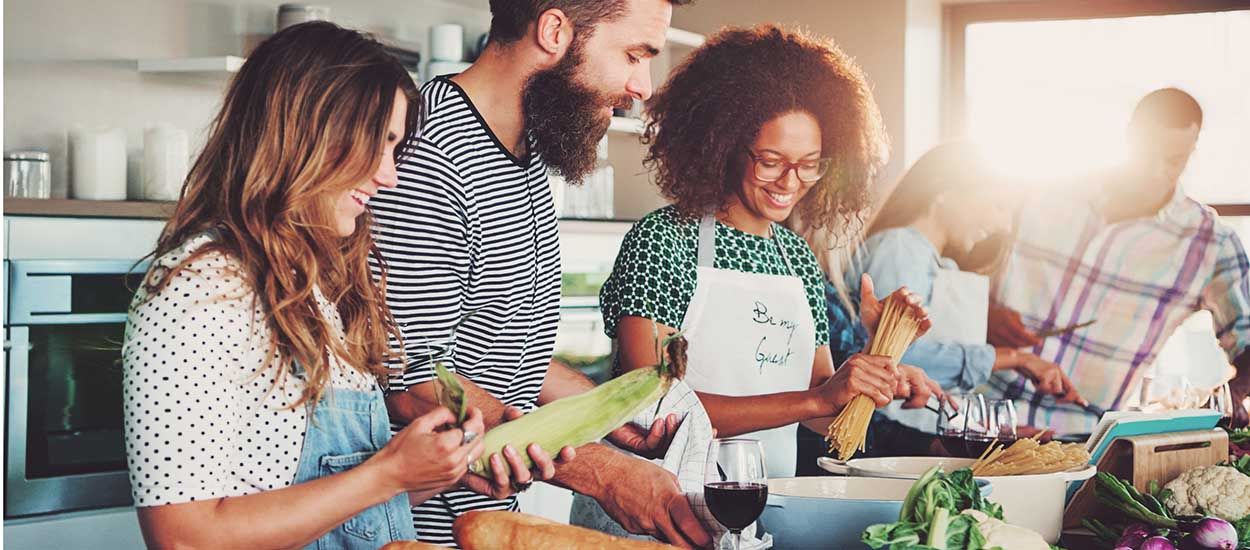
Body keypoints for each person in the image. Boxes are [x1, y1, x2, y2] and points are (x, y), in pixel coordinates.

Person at [121, 23, 518, 548]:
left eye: (394, 148)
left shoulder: (314, 289)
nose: (388, 176)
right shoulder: (199, 288)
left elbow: (333, 508)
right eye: (373, 145)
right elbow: (184, 537)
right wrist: (388, 474)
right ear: (304, 135)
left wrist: (435, 470)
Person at [369, 0, 712, 547]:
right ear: (555, 31)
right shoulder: (431, 155)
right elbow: (410, 381)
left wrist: (603, 414)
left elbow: (501, 344)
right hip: (413, 533)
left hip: (487, 525)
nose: (643, 85)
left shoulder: (523, 151)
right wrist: (605, 474)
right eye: (633, 54)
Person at [598, 25, 943, 484]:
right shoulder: (663, 241)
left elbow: (820, 415)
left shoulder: (795, 257)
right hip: (649, 508)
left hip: (759, 505)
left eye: (809, 164)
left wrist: (874, 372)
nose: (789, 182)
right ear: (723, 147)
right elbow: (648, 408)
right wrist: (818, 399)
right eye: (771, 160)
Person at [985, 88, 1250, 433]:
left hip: (1079, 440)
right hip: (974, 417)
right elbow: (955, 270)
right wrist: (981, 314)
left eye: (1173, 160)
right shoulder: (1040, 195)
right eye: (1147, 154)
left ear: (1192, 151)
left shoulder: (1210, 243)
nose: (1155, 172)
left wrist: (1228, 397)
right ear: (1128, 136)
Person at [843, 142, 1083, 455]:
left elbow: (935, 382)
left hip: (922, 448)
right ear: (944, 192)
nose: (1004, 225)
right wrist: (1016, 358)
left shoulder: (937, 263)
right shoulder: (899, 248)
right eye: (998, 205)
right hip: (885, 450)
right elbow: (895, 358)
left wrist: (985, 432)